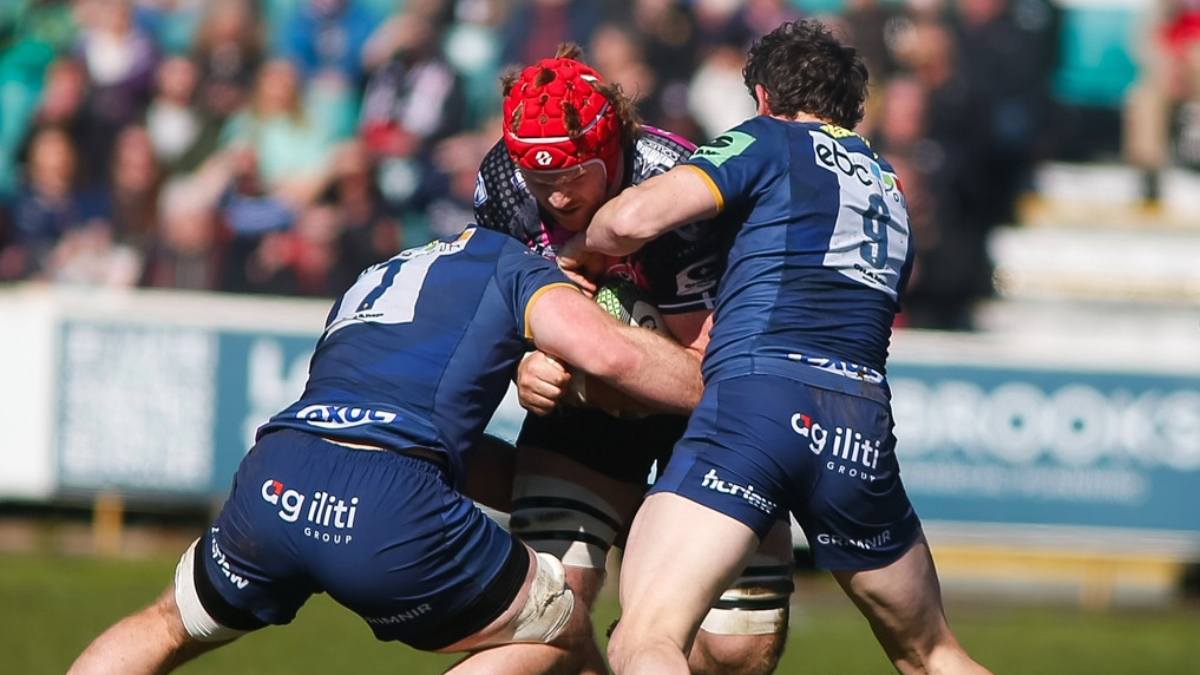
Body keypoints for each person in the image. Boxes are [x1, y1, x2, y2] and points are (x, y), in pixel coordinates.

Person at [67, 225, 704, 675]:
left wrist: (553, 489)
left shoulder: (381, 273)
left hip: (279, 473)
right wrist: (729, 388)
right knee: (561, 629)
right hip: (387, 502)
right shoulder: (517, 265)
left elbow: (424, 437)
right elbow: (609, 353)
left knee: (167, 625)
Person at [561, 20, 992, 675]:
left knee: (645, 637)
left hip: (760, 402)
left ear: (762, 96)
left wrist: (584, 243)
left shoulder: (772, 137)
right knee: (932, 651)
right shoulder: (889, 185)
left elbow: (632, 220)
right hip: (858, 425)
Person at [473, 45, 794, 674]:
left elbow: (703, 371)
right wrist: (525, 363)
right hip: (591, 404)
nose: (559, 200)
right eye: (544, 183)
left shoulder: (675, 189)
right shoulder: (503, 185)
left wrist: (592, 356)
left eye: (574, 177)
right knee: (542, 611)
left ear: (614, 144)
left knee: (737, 649)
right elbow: (491, 309)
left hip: (711, 412)